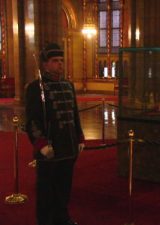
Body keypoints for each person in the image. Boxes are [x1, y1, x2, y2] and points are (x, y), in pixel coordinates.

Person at [25, 43, 85, 225]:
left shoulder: (68, 85)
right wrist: (41, 144)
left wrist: (79, 137)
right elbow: (32, 120)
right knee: (45, 189)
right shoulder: (35, 88)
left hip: (68, 147)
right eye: (55, 61)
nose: (60, 64)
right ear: (45, 64)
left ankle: (62, 217)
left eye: (61, 60)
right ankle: (44, 221)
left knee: (64, 187)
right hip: (49, 148)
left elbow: (74, 115)